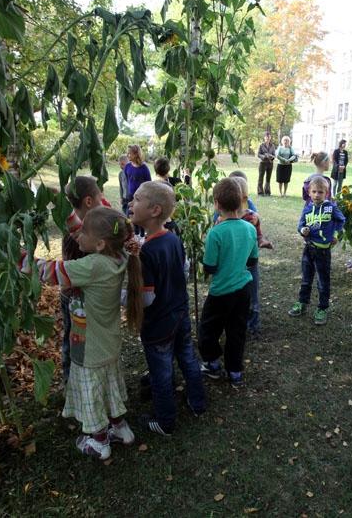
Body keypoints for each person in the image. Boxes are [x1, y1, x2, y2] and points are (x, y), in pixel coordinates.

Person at [19, 207, 142, 459]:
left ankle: (99, 442)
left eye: (83, 231)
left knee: (93, 393)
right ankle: (121, 429)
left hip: (88, 348)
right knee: (108, 387)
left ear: (99, 243)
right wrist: (62, 206)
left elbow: (46, 271)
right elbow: (81, 233)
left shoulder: (92, 265)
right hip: (108, 344)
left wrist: (11, 250)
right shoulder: (119, 255)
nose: (77, 235)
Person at [128, 182, 206, 435]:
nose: (131, 203)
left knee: (161, 373)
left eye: (137, 199)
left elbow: (147, 299)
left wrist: (127, 297)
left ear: (154, 210)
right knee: (187, 358)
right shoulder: (172, 238)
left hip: (159, 324)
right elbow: (181, 271)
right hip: (180, 314)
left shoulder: (147, 252)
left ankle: (165, 421)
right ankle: (198, 401)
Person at [198, 178, 259, 387]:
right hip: (243, 291)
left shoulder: (216, 233)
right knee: (237, 331)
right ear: (242, 201)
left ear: (216, 203)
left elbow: (210, 267)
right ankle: (235, 373)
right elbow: (252, 261)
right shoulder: (250, 228)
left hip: (220, 292)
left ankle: (212, 365)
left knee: (208, 330)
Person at [60, 177, 104, 381]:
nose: (102, 201)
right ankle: (71, 380)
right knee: (73, 340)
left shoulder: (83, 227)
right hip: (75, 298)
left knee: (82, 339)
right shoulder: (79, 236)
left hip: (83, 296)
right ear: (88, 201)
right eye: (99, 197)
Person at [288, 175, 345, 326]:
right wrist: (303, 230)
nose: (317, 195)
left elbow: (341, 221)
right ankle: (302, 302)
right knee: (306, 279)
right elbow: (300, 225)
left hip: (323, 252)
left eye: (320, 192)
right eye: (314, 192)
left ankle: (322, 308)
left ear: (326, 193)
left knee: (323, 281)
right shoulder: (307, 209)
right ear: (309, 192)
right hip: (309, 249)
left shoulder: (331, 207)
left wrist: (336, 235)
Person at [229, 176, 273, 339]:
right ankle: (234, 321)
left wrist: (263, 242)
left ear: (244, 199)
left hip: (249, 263)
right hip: (231, 264)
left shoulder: (252, 216)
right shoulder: (221, 218)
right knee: (233, 293)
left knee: (252, 293)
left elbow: (259, 235)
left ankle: (253, 324)